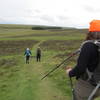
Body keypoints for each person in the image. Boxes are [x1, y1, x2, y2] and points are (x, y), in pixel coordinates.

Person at [66, 20, 100, 100]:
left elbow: (80, 68)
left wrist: (70, 73)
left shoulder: (88, 46)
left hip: (87, 86)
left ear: (90, 32)